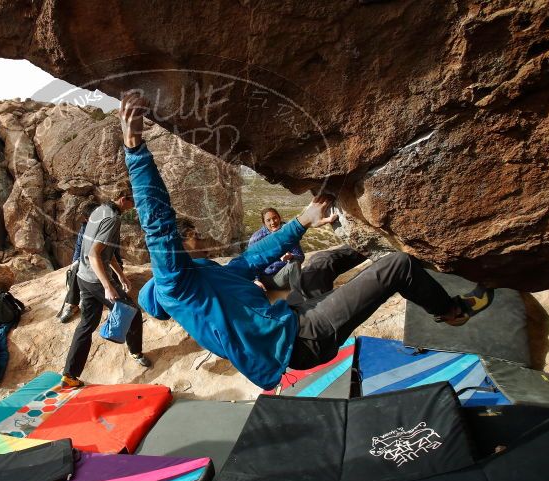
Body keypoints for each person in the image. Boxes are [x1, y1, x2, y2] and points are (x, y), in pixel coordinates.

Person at [119, 91, 494, 390]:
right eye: (191, 239)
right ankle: (450, 312)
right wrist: (135, 150)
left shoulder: (203, 280)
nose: (195, 239)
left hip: (290, 319)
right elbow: (158, 224)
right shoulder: (176, 285)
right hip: (300, 340)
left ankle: (370, 247)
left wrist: (303, 220)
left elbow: (252, 259)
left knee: (321, 264)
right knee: (399, 267)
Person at [61, 189, 150, 388]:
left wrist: (120, 275)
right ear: (123, 198)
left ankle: (70, 375)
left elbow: (105, 254)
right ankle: (136, 352)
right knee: (132, 313)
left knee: (87, 324)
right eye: (133, 200)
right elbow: (94, 254)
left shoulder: (99, 210)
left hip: (82, 276)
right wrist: (108, 286)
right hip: (95, 279)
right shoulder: (112, 219)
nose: (134, 204)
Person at [249, 207, 305, 291]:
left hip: (283, 275)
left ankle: (297, 296)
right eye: (268, 220)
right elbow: (251, 261)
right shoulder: (257, 238)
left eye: (274, 218)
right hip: (266, 278)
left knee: (295, 263)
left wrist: (291, 256)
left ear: (279, 218)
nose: (272, 222)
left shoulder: (287, 233)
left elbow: (300, 256)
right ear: (264, 223)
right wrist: (256, 280)